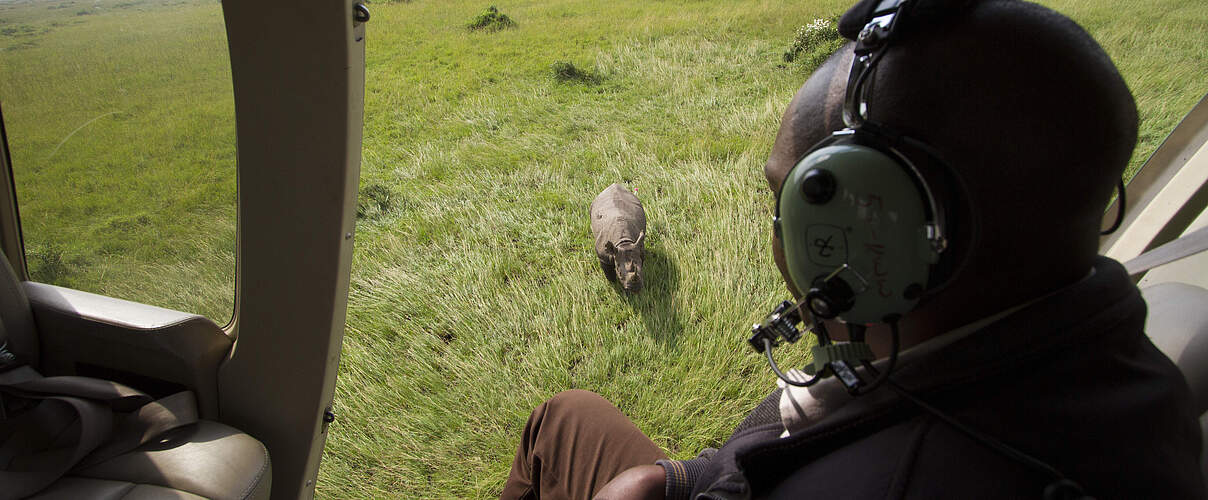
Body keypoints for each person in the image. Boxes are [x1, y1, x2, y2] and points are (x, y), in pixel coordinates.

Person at [500, 0, 1206, 498]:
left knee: (557, 419)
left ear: (885, 233)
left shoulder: (890, 480)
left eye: (792, 206)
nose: (780, 243)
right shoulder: (1103, 359)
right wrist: (679, 476)